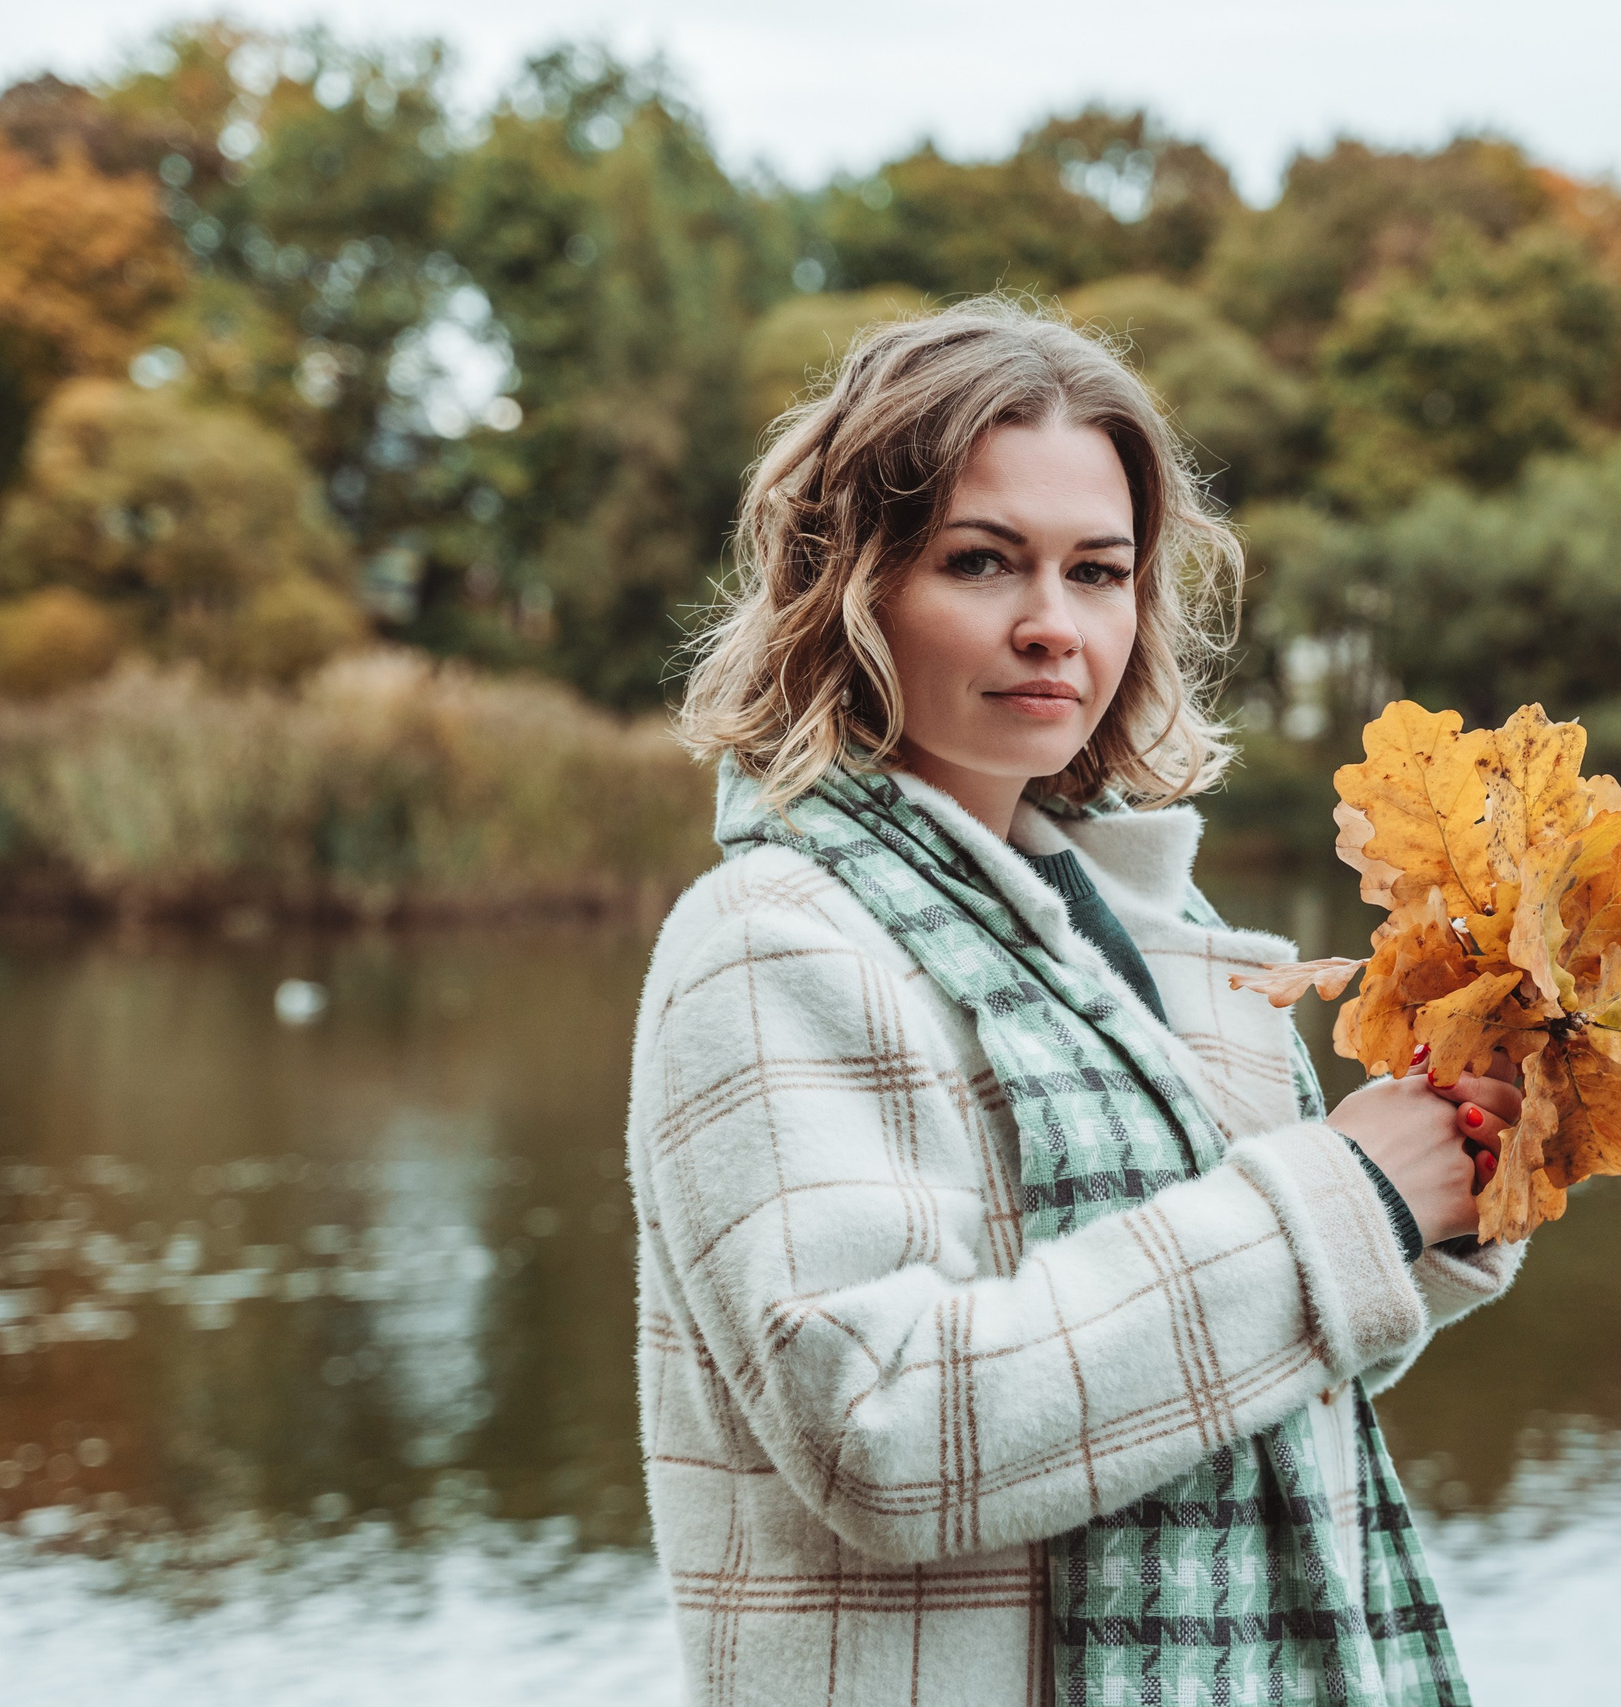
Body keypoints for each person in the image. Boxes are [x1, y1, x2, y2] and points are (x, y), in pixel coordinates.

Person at [628, 297, 1527, 1706]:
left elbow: (1228, 1394)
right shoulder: (775, 940)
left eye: (1099, 573)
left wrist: (1432, 1189)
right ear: (851, 588)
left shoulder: (1147, 930)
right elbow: (891, 1427)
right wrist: (1347, 1200)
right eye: (985, 563)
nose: (1054, 626)